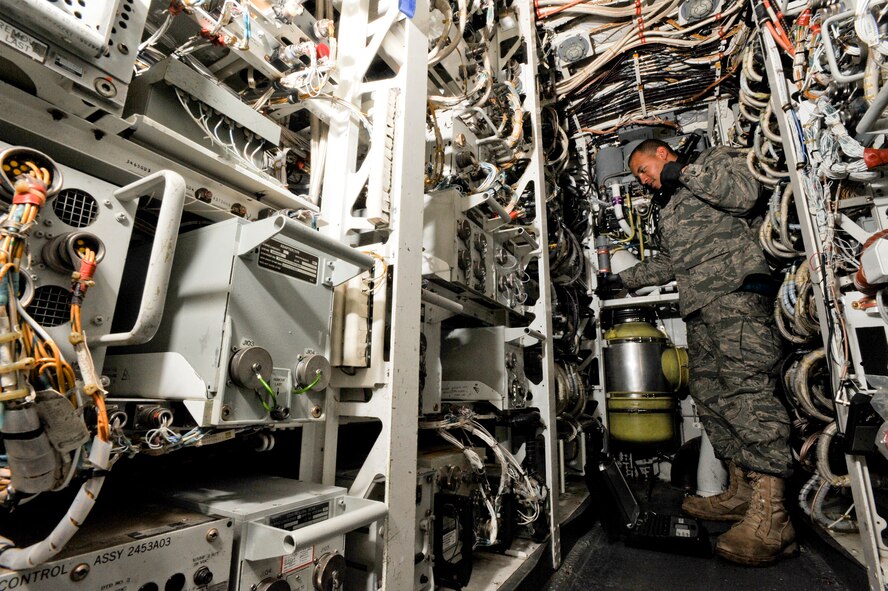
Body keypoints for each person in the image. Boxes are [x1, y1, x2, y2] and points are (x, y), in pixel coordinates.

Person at [598, 139, 796, 566]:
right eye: (639, 178)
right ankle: (742, 492)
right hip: (700, 305)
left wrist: (680, 174)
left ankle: (773, 515)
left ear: (662, 154)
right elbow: (669, 263)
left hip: (736, 293)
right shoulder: (670, 208)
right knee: (709, 394)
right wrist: (622, 280)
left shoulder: (717, 161)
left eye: (644, 171)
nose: (645, 182)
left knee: (747, 391)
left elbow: (743, 197)